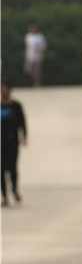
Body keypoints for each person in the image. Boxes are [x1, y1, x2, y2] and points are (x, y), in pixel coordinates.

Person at [1, 79, 27, 207]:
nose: (3, 90)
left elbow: (22, 121)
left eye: (5, 88)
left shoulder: (16, 106)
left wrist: (25, 136)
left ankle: (14, 189)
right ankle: (4, 196)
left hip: (13, 141)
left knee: (12, 167)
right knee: (1, 169)